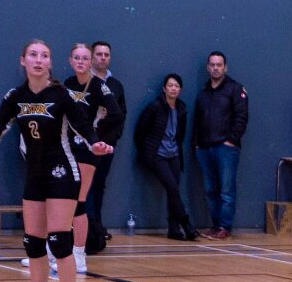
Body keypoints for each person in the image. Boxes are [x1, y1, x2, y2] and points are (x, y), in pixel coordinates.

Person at [0, 39, 111, 282]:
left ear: (50, 63)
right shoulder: (16, 96)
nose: (38, 60)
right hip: (34, 174)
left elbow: (83, 125)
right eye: (33, 55)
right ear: (23, 60)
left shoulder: (61, 94)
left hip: (62, 172)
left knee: (59, 240)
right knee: (33, 242)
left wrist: (95, 142)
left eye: (44, 56)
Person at [62, 43, 123, 273]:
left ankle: (79, 255)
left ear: (90, 62)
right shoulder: (67, 84)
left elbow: (116, 114)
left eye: (84, 58)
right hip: (67, 147)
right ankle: (55, 252)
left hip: (88, 149)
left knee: (79, 201)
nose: (80, 62)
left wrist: (98, 135)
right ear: (70, 60)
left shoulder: (99, 86)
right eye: (76, 58)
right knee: (62, 201)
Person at [135, 73, 198, 240]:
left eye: (176, 86)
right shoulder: (154, 107)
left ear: (181, 90)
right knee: (172, 188)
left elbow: (180, 134)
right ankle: (186, 223)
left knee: (173, 191)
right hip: (158, 155)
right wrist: (148, 151)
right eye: (170, 85)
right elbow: (140, 131)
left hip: (174, 154)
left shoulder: (182, 109)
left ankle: (174, 228)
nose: (173, 89)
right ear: (164, 88)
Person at [192, 51, 248, 240]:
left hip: (226, 148)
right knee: (211, 190)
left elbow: (241, 117)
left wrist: (231, 140)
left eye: (219, 65)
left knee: (226, 190)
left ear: (225, 67)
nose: (215, 68)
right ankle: (215, 226)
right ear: (208, 67)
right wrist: (197, 144)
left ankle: (225, 227)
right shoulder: (203, 93)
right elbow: (197, 120)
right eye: (212, 65)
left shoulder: (235, 89)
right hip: (204, 148)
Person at [85, 40, 125, 253]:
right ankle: (87, 225)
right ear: (92, 57)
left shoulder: (116, 85)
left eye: (106, 54)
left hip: (106, 145)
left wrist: (112, 139)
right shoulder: (83, 81)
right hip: (85, 144)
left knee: (99, 184)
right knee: (86, 185)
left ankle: (96, 226)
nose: (102, 57)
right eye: (99, 54)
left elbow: (121, 115)